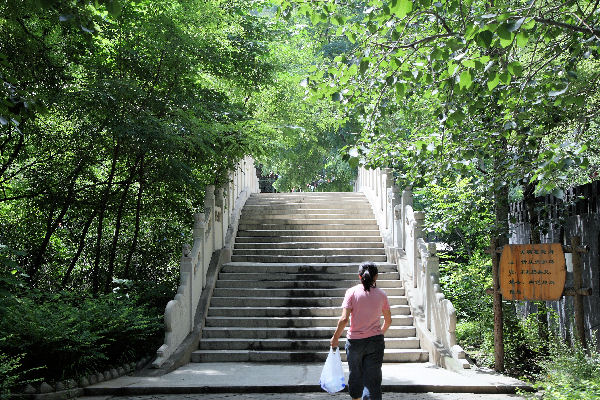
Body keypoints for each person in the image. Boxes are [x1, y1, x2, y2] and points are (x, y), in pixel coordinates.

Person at [330, 261, 392, 400]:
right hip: (375, 341)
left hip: (355, 343)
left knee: (355, 375)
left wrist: (335, 338)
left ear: (360, 276)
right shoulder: (382, 294)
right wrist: (379, 333)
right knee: (373, 381)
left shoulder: (351, 292)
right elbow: (388, 321)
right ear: (376, 277)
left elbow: (344, 319)